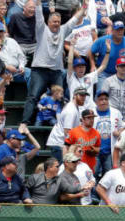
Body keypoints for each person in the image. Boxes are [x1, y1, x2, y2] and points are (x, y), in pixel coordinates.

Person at [19, 0, 85, 131]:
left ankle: (63, 124)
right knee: (33, 96)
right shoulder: (41, 29)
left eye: (58, 22)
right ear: (48, 22)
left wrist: (84, 7)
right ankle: (24, 123)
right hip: (39, 70)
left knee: (61, 98)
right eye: (54, 22)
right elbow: (38, 14)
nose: (56, 24)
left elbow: (74, 19)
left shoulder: (63, 30)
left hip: (56, 71)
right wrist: (37, 3)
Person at [90, 20, 125, 87]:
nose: (120, 32)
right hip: (104, 73)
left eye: (122, 29)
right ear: (112, 31)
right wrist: (92, 65)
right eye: (117, 30)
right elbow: (91, 52)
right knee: (102, 94)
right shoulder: (102, 40)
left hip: (121, 73)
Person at [92, 89, 125, 180]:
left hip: (110, 152)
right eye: (101, 99)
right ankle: (94, 194)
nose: (104, 101)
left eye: (106, 99)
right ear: (96, 101)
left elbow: (123, 126)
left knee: (109, 177)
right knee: (92, 176)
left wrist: (119, 132)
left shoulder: (116, 112)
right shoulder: (91, 113)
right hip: (95, 151)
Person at [101, 57, 125, 126]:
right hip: (112, 116)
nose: (123, 68)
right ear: (116, 67)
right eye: (121, 66)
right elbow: (103, 98)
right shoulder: (108, 81)